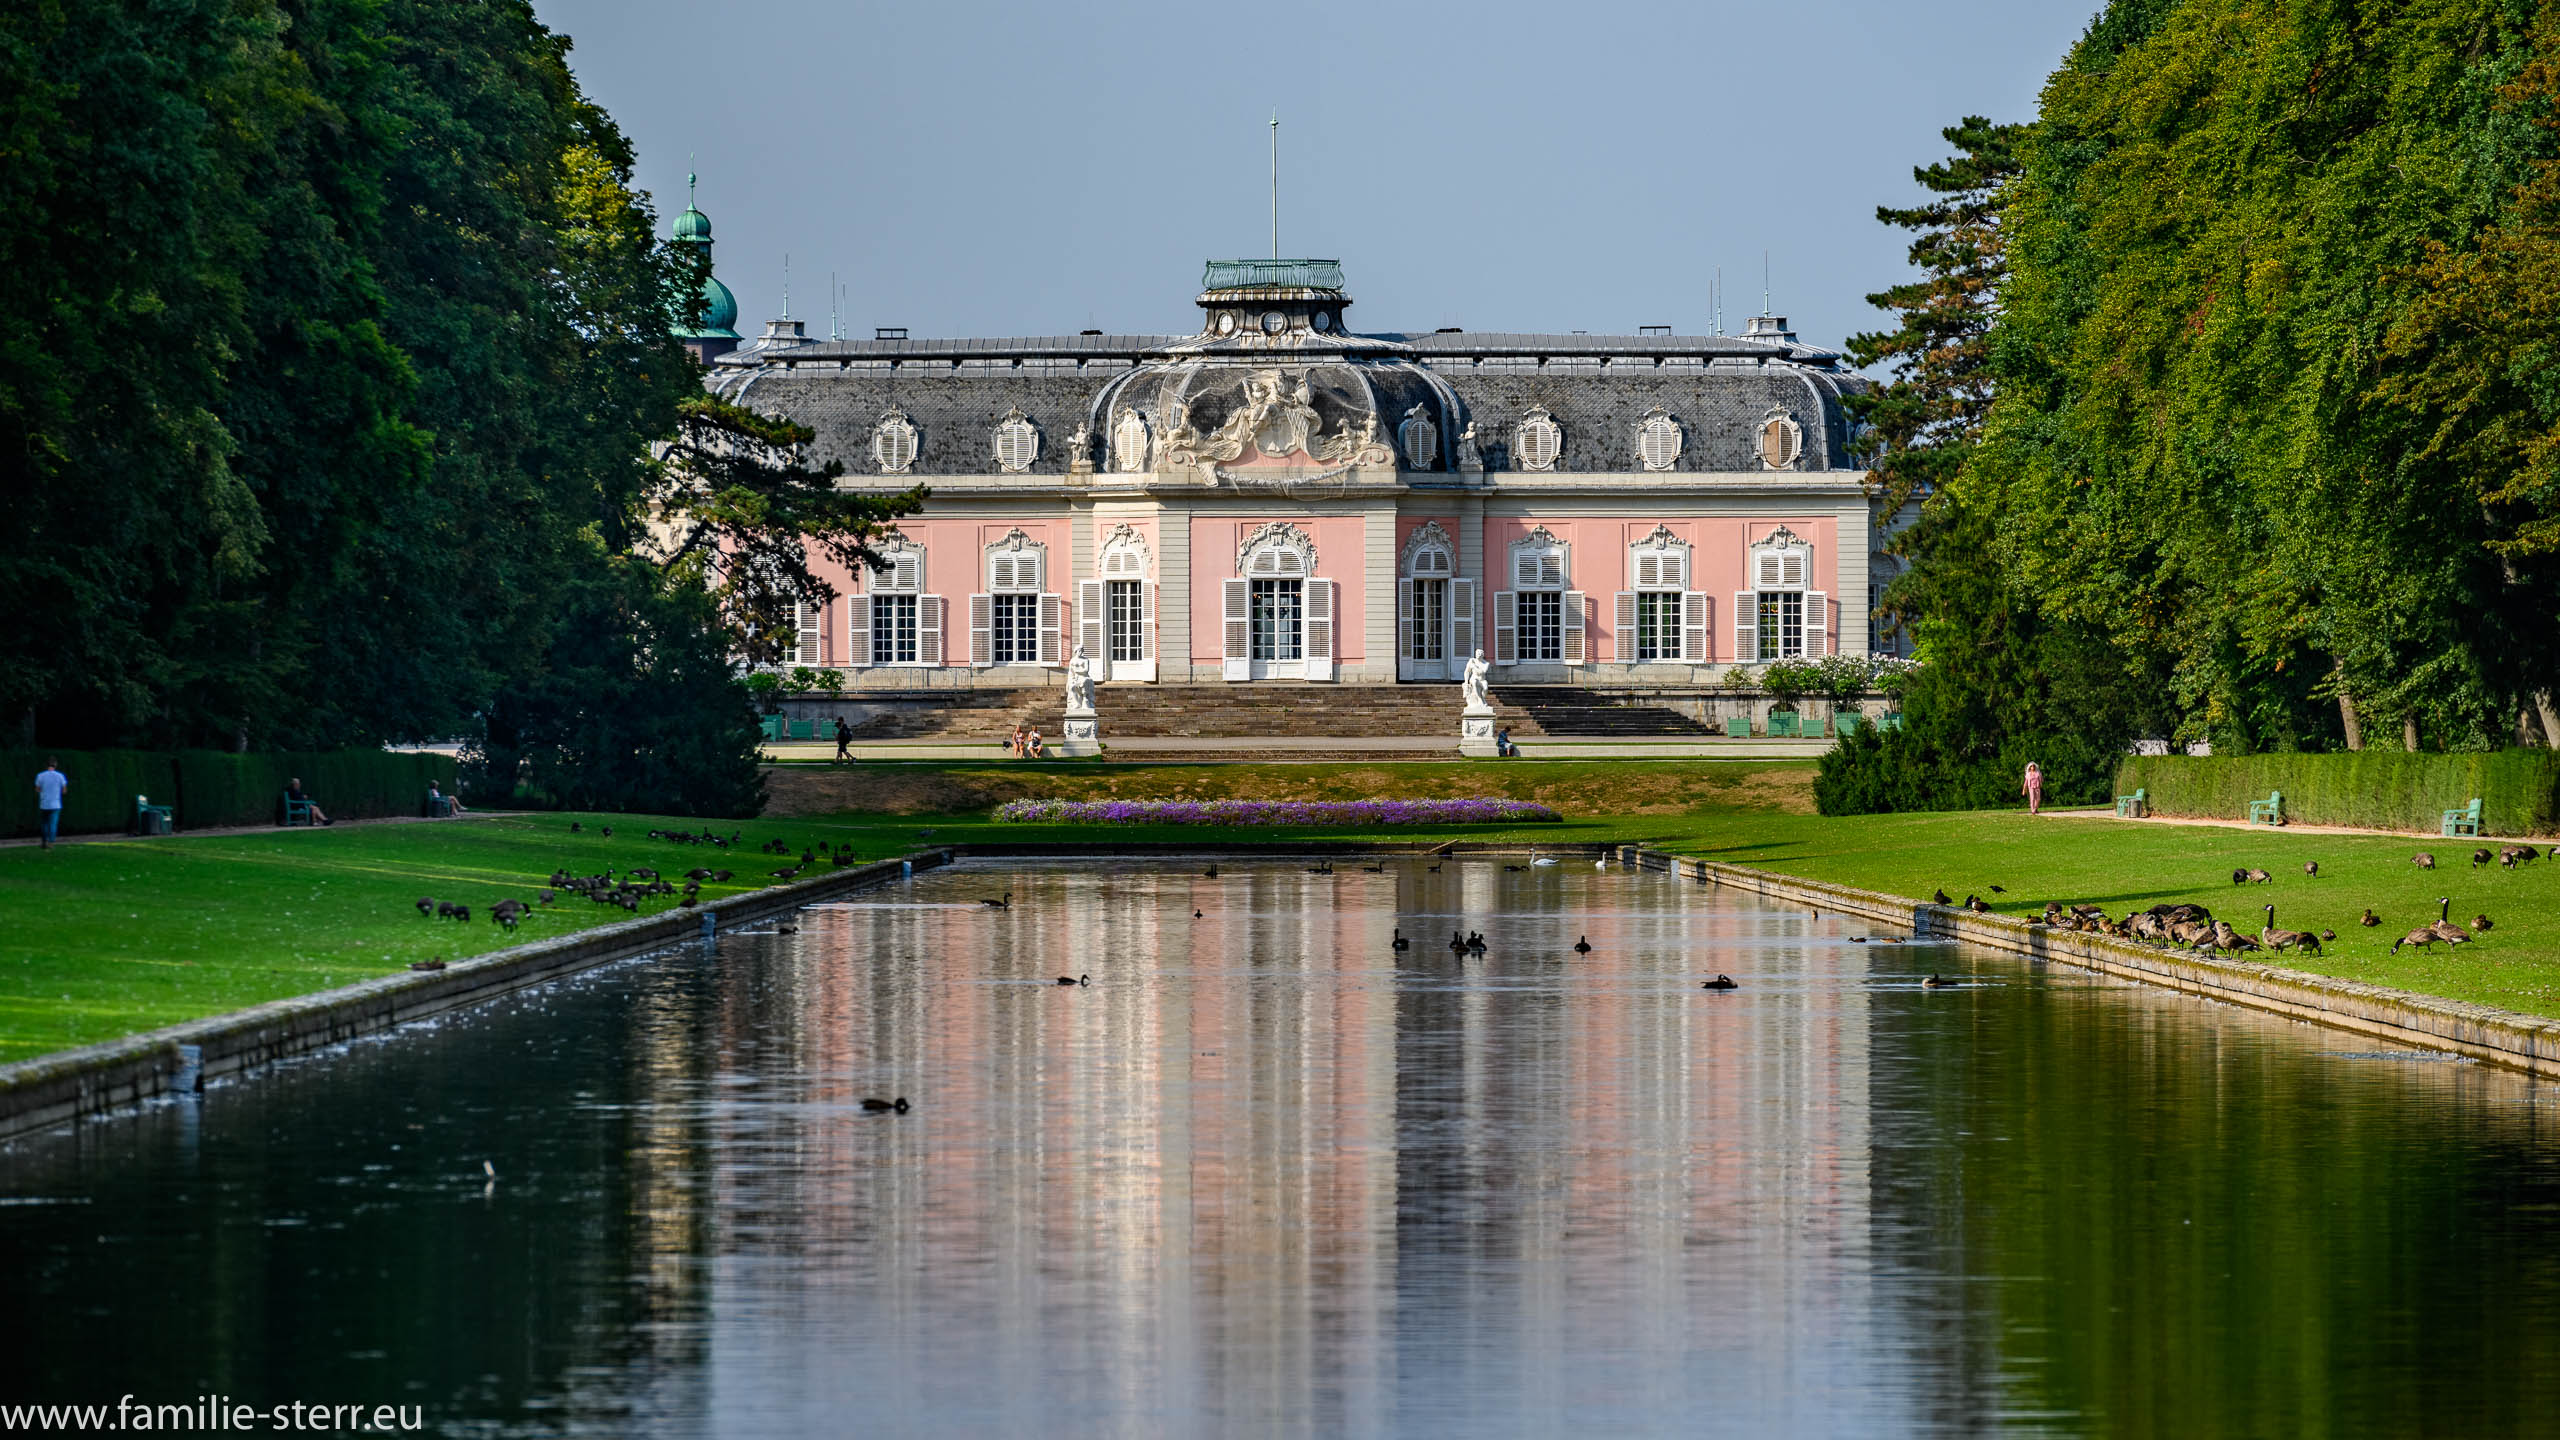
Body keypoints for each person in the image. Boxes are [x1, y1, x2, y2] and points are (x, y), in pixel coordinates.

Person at [32, 758, 65, 849]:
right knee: (53, 824)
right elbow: (64, 790)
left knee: (44, 824)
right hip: (56, 803)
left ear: (46, 765)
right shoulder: (60, 776)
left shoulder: (40, 775)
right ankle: (51, 842)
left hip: (44, 803)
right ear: (55, 765)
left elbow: (37, 789)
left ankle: (44, 842)